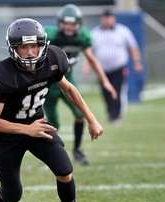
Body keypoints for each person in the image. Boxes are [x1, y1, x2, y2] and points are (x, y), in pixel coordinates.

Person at [0, 18, 104, 202]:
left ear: (43, 45)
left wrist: (91, 118)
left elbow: (68, 88)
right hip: (7, 135)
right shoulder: (1, 74)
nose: (30, 52)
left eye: (35, 45)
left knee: (64, 170)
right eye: (24, 47)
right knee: (13, 193)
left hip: (38, 125)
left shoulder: (54, 59)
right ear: (13, 48)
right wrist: (26, 129)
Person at [44, 4, 117, 165]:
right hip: (48, 84)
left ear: (78, 24)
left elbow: (91, 58)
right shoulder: (51, 36)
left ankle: (77, 150)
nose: (69, 27)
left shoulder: (82, 37)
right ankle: (52, 154)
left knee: (80, 115)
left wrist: (105, 81)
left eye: (72, 23)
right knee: (53, 124)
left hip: (67, 80)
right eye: (66, 23)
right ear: (60, 23)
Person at [90, 8, 143, 123]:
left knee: (117, 90)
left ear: (113, 18)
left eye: (109, 17)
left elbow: (133, 47)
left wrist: (137, 62)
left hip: (118, 67)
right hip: (102, 69)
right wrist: (87, 66)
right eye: (105, 17)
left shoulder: (123, 31)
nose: (107, 20)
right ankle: (110, 112)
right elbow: (89, 51)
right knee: (105, 92)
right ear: (101, 19)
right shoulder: (95, 33)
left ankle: (116, 114)